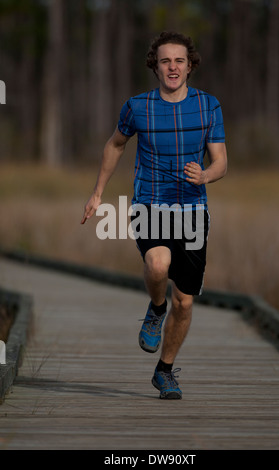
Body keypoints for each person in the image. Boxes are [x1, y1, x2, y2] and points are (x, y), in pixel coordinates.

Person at [81, 31, 227, 400]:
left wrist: (206, 174)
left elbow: (221, 161)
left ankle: (164, 371)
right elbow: (115, 144)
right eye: (165, 61)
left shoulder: (209, 106)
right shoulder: (137, 107)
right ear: (155, 66)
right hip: (151, 204)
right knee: (158, 264)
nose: (173, 67)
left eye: (179, 60)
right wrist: (98, 192)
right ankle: (155, 308)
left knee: (186, 301)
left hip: (193, 209)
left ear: (190, 65)